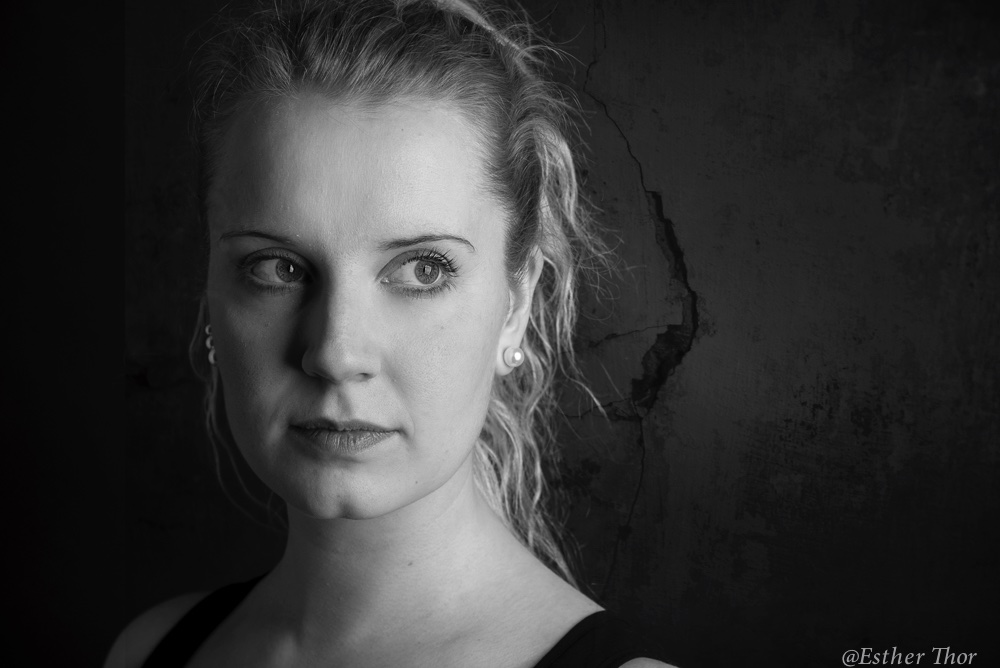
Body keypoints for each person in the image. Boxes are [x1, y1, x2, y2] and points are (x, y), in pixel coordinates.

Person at [109, 0, 677, 666]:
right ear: (210, 293)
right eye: (278, 268)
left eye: (422, 269)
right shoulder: (145, 652)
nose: (335, 353)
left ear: (516, 304)